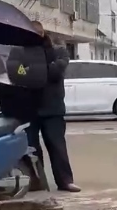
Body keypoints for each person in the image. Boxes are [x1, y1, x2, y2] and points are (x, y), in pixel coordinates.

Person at [22, 21, 79, 192]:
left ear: (42, 34)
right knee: (29, 148)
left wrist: (33, 70)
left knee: (57, 146)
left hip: (52, 108)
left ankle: (65, 181)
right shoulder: (21, 52)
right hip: (28, 108)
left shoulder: (58, 51)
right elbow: (17, 73)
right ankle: (36, 182)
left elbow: (55, 71)